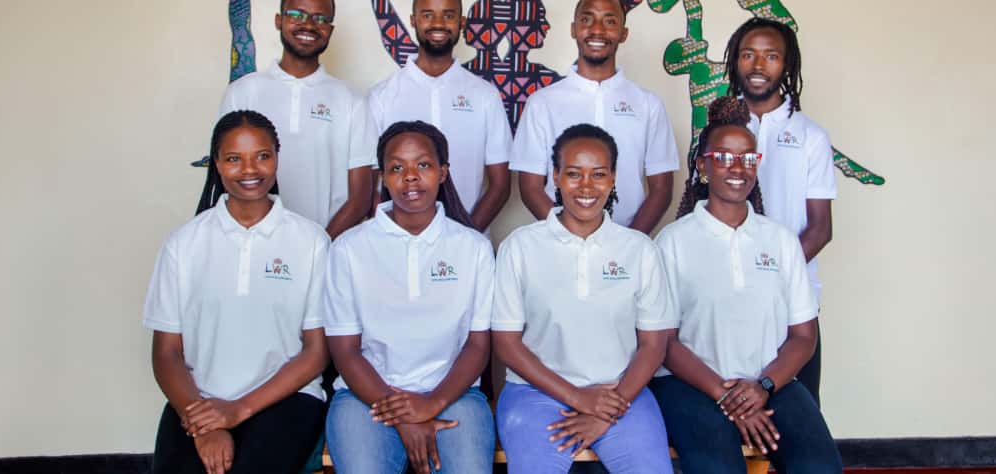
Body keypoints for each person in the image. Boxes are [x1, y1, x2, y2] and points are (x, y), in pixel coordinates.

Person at [649, 97, 842, 473]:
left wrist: (762, 386)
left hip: (768, 383)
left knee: (819, 465)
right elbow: (664, 344)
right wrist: (726, 396)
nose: (737, 168)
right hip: (690, 385)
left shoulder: (781, 241)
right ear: (703, 166)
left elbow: (803, 337)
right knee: (717, 466)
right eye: (723, 157)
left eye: (748, 158)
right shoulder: (672, 242)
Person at [144, 110, 329, 474]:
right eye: (234, 159)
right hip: (199, 399)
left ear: (277, 157)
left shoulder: (311, 242)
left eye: (262, 156)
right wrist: (205, 424)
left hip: (286, 400)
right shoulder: (184, 244)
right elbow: (166, 353)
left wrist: (236, 411)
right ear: (216, 163)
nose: (250, 170)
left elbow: (316, 352)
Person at [493, 124, 675, 473]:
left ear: (614, 178)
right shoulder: (520, 246)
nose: (586, 186)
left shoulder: (639, 250)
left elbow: (654, 345)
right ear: (556, 176)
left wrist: (608, 408)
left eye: (599, 174)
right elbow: (506, 344)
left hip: (621, 394)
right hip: (534, 394)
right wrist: (578, 398)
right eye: (574, 174)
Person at [323, 121, 496, 474]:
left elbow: (478, 345)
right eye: (397, 168)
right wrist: (404, 416)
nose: (411, 177)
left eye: (424, 165)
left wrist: (432, 403)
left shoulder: (474, 248)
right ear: (383, 177)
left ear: (443, 172)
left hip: (454, 394)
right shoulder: (349, 249)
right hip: (364, 396)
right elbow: (345, 351)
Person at [724, 17, 836, 403]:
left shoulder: (811, 137)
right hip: (729, 295)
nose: (758, 65)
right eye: (748, 54)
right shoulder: (718, 130)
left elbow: (820, 229)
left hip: (791, 300)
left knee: (798, 411)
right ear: (735, 61)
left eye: (771, 56)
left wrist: (771, 277)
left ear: (787, 65)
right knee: (732, 406)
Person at [510, 0, 679, 234]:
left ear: (623, 33)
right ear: (573, 29)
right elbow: (530, 187)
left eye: (609, 21)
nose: (597, 30)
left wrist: (629, 243)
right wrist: (567, 237)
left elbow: (661, 190)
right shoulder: (542, 103)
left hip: (627, 245)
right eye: (587, 19)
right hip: (557, 243)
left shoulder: (648, 104)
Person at [220, 0, 376, 239]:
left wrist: (318, 248)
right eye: (297, 14)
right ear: (278, 20)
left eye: (320, 18)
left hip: (329, 246)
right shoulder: (243, 92)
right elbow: (226, 176)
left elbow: (360, 198)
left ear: (330, 30)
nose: (309, 25)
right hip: (252, 243)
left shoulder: (351, 101)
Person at [368, 0, 512, 231]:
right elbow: (372, 186)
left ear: (462, 22)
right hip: (397, 242)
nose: (438, 23)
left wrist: (465, 237)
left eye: (448, 15)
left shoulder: (485, 95)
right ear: (413, 20)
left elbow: (500, 186)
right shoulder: (382, 96)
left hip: (469, 240)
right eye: (427, 15)